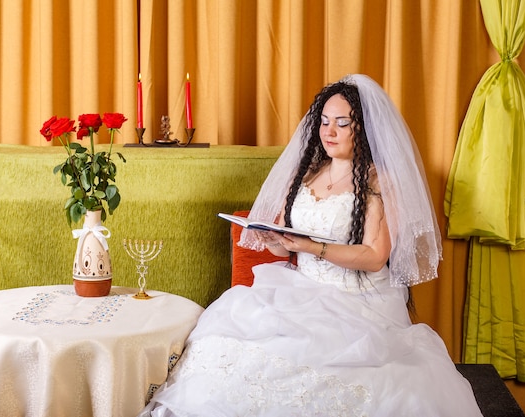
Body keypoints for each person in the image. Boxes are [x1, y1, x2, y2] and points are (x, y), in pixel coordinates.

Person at [138, 74, 482, 416]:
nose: (329, 132)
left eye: (342, 124)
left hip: (356, 301)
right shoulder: (308, 173)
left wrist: (311, 247)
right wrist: (275, 239)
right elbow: (286, 249)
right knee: (221, 349)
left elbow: (375, 256)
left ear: (362, 128)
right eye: (324, 121)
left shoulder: (379, 180)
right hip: (297, 287)